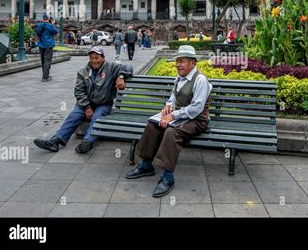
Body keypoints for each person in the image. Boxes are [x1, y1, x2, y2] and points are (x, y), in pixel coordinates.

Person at [125, 45, 212, 197]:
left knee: (172, 132)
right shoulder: (179, 78)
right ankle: (146, 165)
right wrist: (168, 105)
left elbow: (197, 108)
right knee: (153, 125)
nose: (178, 64)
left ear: (192, 63)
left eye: (182, 61)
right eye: (177, 61)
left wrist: (173, 115)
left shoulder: (200, 80)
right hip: (180, 116)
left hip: (197, 120)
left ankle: (168, 177)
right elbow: (174, 96)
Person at [33, 46, 133, 154]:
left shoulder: (111, 67)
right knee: (73, 116)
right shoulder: (83, 72)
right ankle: (56, 141)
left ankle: (87, 142)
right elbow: (79, 91)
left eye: (97, 57)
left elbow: (128, 67)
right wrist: (87, 107)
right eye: (91, 58)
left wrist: (121, 76)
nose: (94, 61)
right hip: (86, 104)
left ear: (103, 58)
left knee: (97, 117)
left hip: (104, 104)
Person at [36, 13, 58, 82]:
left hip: (41, 44)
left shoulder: (39, 25)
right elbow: (55, 31)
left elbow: (37, 33)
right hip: (48, 44)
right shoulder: (50, 25)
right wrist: (52, 24)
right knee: (47, 60)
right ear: (48, 19)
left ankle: (45, 75)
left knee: (43, 60)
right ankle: (45, 77)